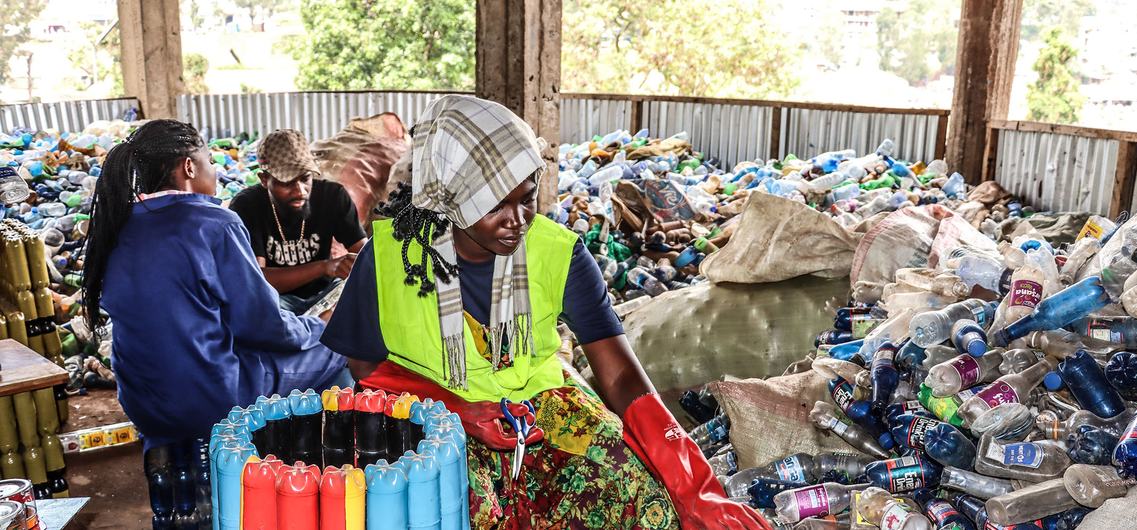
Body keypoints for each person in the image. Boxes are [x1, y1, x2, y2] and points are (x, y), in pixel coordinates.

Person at [322, 96, 767, 529]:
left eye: (527, 197)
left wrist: (695, 488)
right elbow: (365, 367)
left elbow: (619, 376)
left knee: (638, 496)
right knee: (449, 504)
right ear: (451, 198)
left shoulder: (559, 253)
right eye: (496, 204)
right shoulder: (386, 259)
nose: (517, 219)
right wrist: (458, 409)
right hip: (432, 414)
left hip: (538, 415)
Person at [81, 119, 348, 526]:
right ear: (189, 167)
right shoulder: (213, 222)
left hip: (142, 399)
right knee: (338, 352)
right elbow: (262, 324)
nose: (215, 170)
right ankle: (307, 486)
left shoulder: (118, 223)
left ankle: (180, 495)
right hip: (207, 395)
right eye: (208, 160)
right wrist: (318, 329)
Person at [229, 129, 367, 314]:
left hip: (324, 293)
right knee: (254, 310)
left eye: (305, 178)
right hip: (275, 299)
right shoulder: (247, 205)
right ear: (264, 179)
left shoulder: (332, 196)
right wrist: (324, 267)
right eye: (287, 182)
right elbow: (256, 280)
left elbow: (364, 254)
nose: (300, 191)